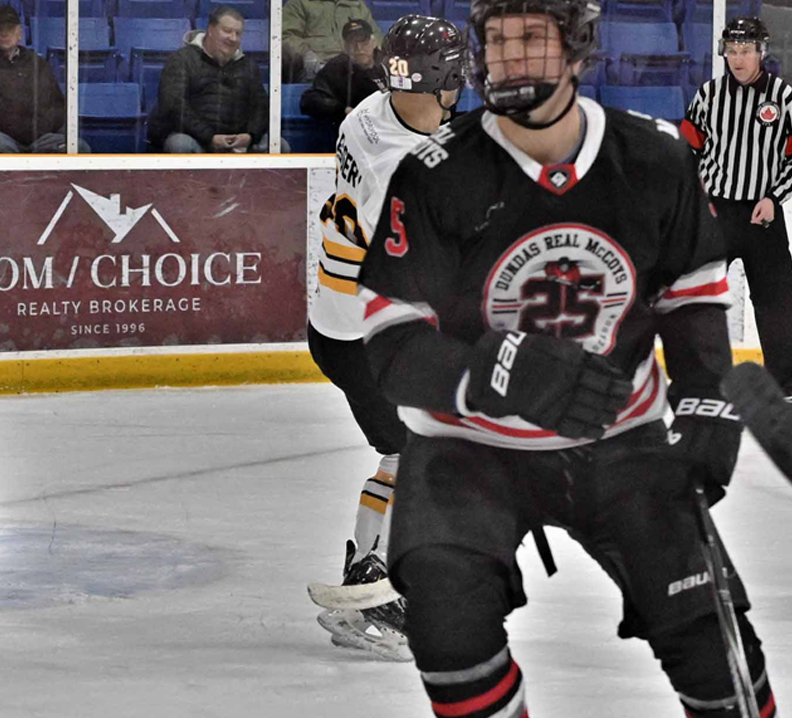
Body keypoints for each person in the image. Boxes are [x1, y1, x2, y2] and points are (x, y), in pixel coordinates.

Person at [356, 0, 778, 714]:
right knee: (447, 626)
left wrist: (709, 407)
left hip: (618, 439)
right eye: (496, 42)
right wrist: (493, 373)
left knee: (713, 646)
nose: (511, 58)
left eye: (532, 40)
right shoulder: (436, 173)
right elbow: (391, 342)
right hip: (468, 449)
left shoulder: (655, 158)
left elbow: (694, 299)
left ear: (579, 53)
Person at [305, 14, 466, 662]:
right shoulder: (402, 168)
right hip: (365, 338)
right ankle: (372, 582)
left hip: (343, 322)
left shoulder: (371, 113)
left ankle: (378, 569)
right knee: (416, 454)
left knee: (413, 452)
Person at [682, 17, 792, 395]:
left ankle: (785, 383)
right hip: (716, 212)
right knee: (698, 296)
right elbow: (688, 150)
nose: (738, 59)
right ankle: (694, 372)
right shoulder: (709, 96)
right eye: (731, 51)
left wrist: (774, 197)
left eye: (745, 51)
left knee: (777, 300)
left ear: (760, 52)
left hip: (764, 214)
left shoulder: (785, 98)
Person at [0, 4, 88, 153]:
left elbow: (57, 107)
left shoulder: (37, 64)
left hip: (40, 139)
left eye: (10, 29)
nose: (4, 34)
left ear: (20, 32)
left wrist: (40, 126)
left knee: (78, 146)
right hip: (0, 138)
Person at [149, 6, 288, 153]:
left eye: (238, 33)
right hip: (198, 141)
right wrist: (209, 137)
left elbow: (261, 106)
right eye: (227, 31)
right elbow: (173, 105)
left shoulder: (248, 65)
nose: (233, 38)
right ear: (210, 30)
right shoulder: (182, 60)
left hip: (239, 143)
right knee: (180, 145)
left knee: (279, 145)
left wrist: (250, 135)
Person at [298, 19, 387, 137]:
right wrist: (343, 110)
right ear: (345, 46)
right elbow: (310, 101)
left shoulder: (391, 63)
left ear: (373, 42)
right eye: (352, 42)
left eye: (363, 41)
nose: (359, 48)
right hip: (356, 135)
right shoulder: (336, 69)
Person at [282, 0, 381, 82]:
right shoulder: (299, 3)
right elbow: (285, 36)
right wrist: (307, 55)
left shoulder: (356, 4)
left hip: (355, 71)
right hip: (318, 73)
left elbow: (376, 38)